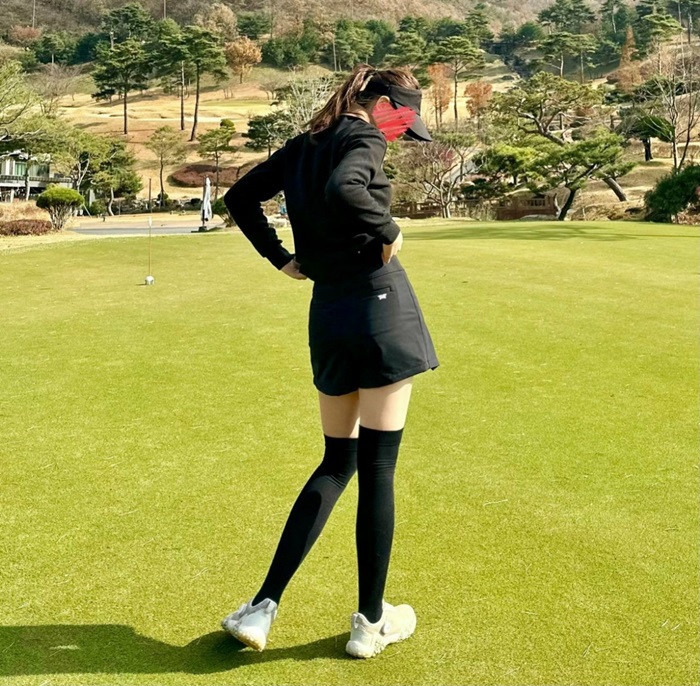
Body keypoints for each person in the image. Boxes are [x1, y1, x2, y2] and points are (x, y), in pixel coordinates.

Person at [220, 63, 439, 659]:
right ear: (383, 102)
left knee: (337, 461)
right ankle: (371, 623)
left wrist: (281, 259)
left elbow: (240, 196)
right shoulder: (363, 135)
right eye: (402, 121)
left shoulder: (305, 142)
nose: (401, 133)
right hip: (381, 310)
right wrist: (389, 228)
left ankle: (262, 607)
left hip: (329, 313)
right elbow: (347, 188)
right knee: (378, 466)